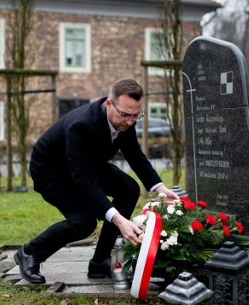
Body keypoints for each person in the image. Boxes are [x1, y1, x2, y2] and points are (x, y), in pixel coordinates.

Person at [15, 77, 178, 284]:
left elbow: (135, 155)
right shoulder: (81, 125)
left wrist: (160, 188)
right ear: (109, 105)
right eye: (125, 115)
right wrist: (119, 220)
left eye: (136, 115)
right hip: (51, 171)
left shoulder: (125, 120)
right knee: (83, 223)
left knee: (128, 188)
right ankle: (30, 253)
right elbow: (85, 182)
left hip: (85, 164)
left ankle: (100, 261)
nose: (130, 121)